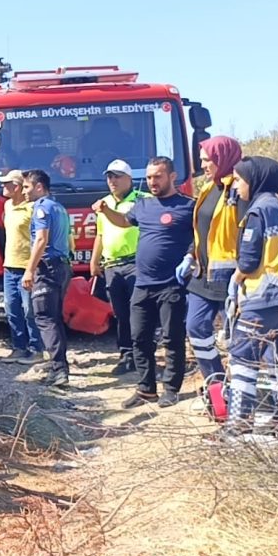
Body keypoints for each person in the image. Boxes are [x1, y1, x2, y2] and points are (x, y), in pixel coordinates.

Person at [94, 157, 195, 408]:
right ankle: (146, 388)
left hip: (171, 284)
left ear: (172, 176)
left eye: (158, 176)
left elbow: (201, 237)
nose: (153, 182)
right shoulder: (143, 205)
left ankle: (171, 388)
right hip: (143, 283)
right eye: (149, 177)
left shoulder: (187, 206)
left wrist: (191, 256)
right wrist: (106, 211)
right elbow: (124, 221)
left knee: (172, 338)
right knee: (139, 337)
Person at [225, 156, 278, 434]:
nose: (237, 185)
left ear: (254, 181)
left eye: (240, 180)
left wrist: (237, 278)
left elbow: (249, 259)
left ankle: (238, 425)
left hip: (263, 299)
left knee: (242, 358)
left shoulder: (257, 212)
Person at [177, 136, 243, 393]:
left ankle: (241, 393)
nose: (202, 165)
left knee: (236, 338)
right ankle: (216, 383)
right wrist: (190, 255)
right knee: (194, 326)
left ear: (222, 158)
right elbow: (202, 231)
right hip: (202, 275)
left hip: (231, 278)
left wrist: (243, 274)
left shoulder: (239, 190)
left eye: (207, 160)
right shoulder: (207, 188)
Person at [91, 159, 147, 376]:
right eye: (109, 176)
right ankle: (126, 355)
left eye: (117, 176)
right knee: (121, 314)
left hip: (136, 264)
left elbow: (126, 222)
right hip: (112, 266)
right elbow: (101, 234)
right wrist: (95, 261)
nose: (112, 181)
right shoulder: (103, 203)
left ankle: (143, 353)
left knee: (139, 312)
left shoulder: (142, 200)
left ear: (129, 179)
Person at [21, 169, 73, 388]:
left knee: (44, 317)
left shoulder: (41, 208)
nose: (23, 191)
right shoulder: (58, 207)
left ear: (39, 187)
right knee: (54, 317)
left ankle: (59, 370)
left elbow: (41, 240)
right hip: (62, 266)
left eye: (26, 187)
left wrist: (30, 270)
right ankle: (58, 365)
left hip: (48, 268)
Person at [0, 169, 43, 364]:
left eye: (6, 183)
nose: (3, 187)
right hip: (9, 266)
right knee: (11, 308)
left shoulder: (33, 208)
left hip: (26, 266)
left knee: (29, 309)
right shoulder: (8, 206)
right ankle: (18, 347)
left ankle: (36, 349)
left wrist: (32, 268)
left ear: (16, 187)